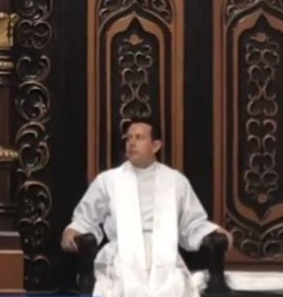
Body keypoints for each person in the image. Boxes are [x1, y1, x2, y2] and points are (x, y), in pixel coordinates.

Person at [61, 117, 232, 297]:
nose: (131, 143)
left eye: (139, 137)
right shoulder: (109, 180)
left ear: (156, 145)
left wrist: (211, 231)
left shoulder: (175, 181)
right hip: (122, 258)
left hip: (165, 257)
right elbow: (86, 219)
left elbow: (191, 224)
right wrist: (73, 231)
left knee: (173, 286)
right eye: (128, 138)